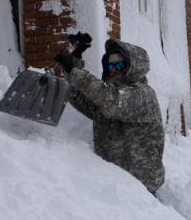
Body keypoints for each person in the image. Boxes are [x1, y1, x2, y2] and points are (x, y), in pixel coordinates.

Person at [55, 36, 165, 195]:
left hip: (141, 189)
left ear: (133, 67)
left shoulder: (143, 95)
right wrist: (74, 61)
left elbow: (111, 100)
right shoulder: (108, 97)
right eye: (110, 63)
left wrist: (75, 71)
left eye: (119, 63)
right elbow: (78, 96)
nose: (114, 68)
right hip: (112, 186)